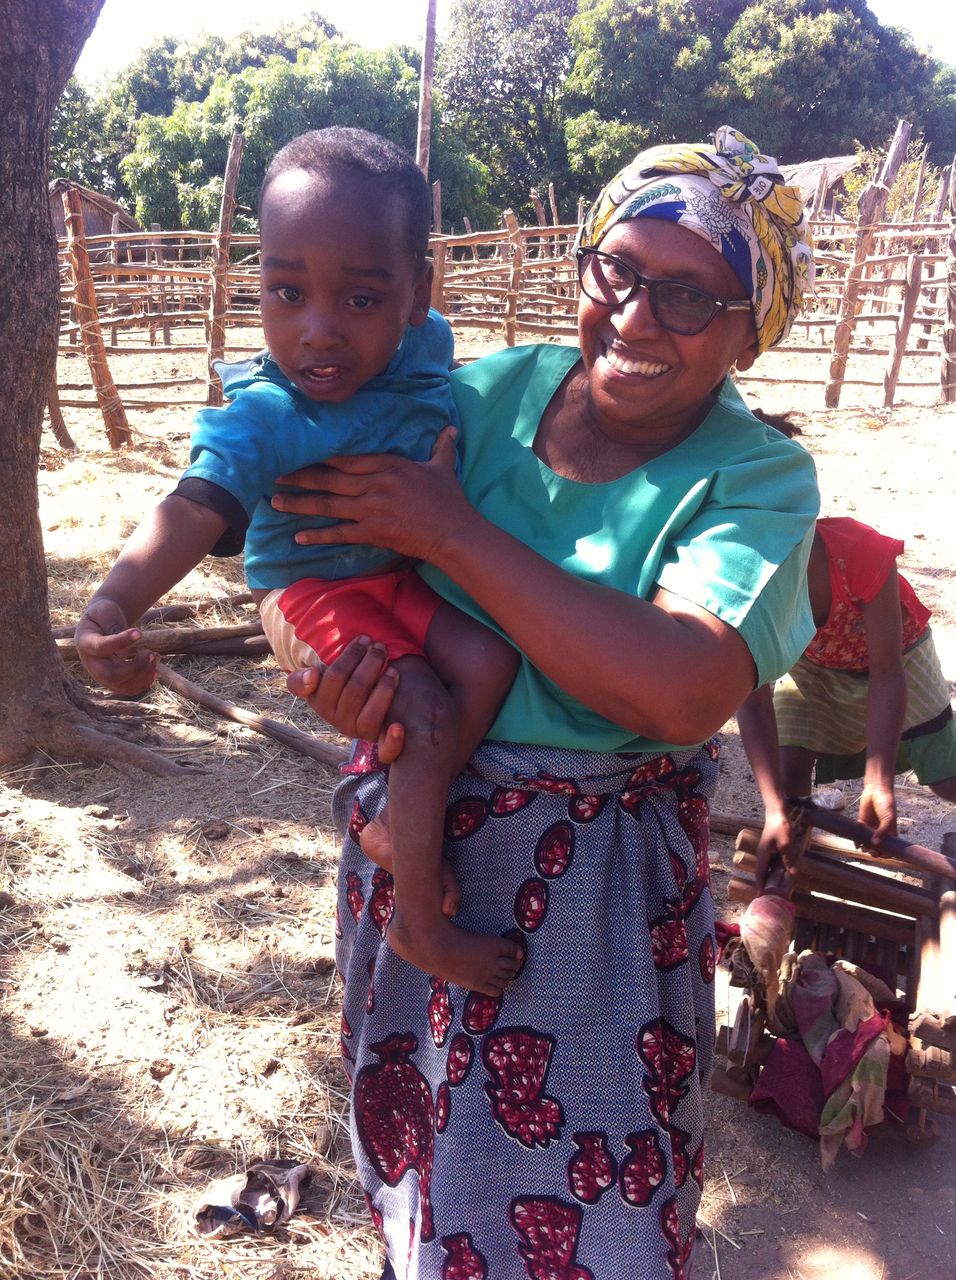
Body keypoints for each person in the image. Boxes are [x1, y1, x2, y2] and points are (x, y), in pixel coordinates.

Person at [273, 125, 819, 1279]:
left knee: (598, 1205)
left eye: (687, 297)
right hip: (418, 852)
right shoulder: (479, 396)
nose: (632, 317)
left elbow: (679, 686)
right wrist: (328, 670)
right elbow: (307, 541)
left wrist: (451, 533)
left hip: (596, 902)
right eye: (616, 270)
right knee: (423, 1164)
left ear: (747, 331)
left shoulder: (755, 477)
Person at [73, 127, 522, 998]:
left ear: (417, 295)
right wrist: (114, 603)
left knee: (491, 659)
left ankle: (395, 816)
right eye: (287, 292)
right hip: (312, 590)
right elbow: (194, 506)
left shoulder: (428, 351)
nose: (318, 331)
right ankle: (420, 921)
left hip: (401, 576)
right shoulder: (267, 414)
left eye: (360, 299)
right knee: (420, 706)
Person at [738, 514, 956, 879]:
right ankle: (794, 875)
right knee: (789, 773)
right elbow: (752, 695)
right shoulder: (745, 587)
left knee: (946, 777)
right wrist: (774, 808)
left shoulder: (862, 552)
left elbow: (887, 674)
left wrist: (878, 782)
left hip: (900, 654)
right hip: (816, 663)